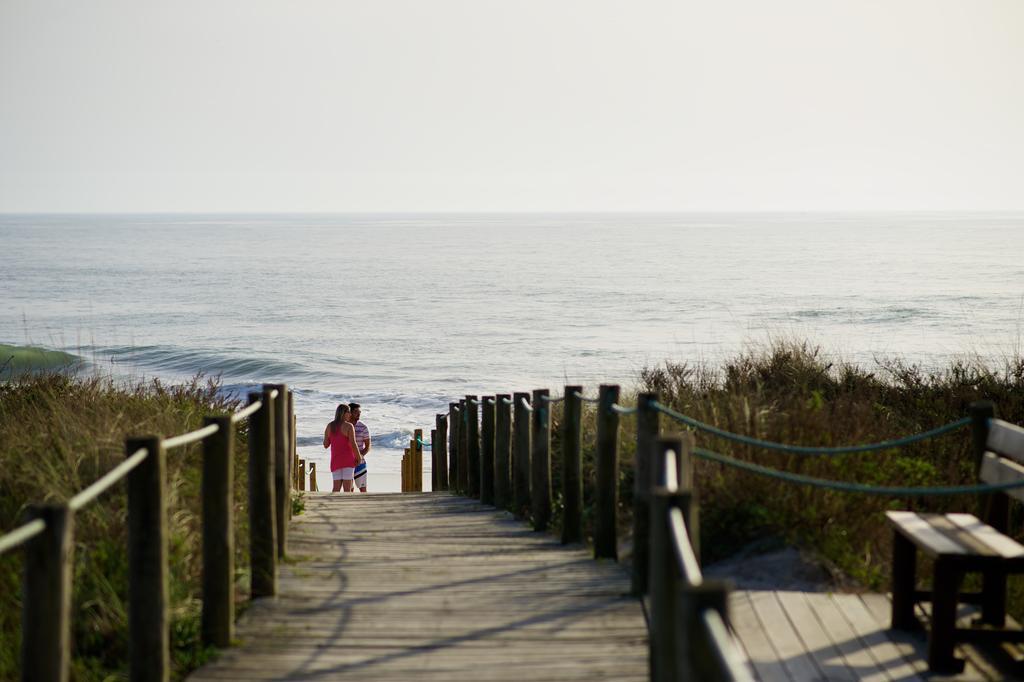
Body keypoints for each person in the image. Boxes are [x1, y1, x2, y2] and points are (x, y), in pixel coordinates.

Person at [323, 403, 362, 492]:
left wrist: (330, 435)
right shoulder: (349, 426)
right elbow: (353, 443)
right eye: (348, 412)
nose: (350, 414)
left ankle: (333, 505)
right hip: (348, 460)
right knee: (347, 489)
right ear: (343, 413)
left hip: (335, 460)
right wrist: (358, 457)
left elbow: (325, 445)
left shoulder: (330, 426)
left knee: (336, 488)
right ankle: (346, 506)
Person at [349, 402, 371, 492]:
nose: (358, 414)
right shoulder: (344, 426)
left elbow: (368, 446)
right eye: (355, 412)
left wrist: (359, 456)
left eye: (359, 412)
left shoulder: (363, 427)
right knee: (349, 489)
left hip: (360, 462)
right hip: (347, 462)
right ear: (349, 413)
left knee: (363, 489)